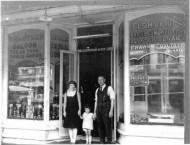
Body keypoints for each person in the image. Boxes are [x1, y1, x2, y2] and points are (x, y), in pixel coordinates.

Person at [93, 75, 115, 144]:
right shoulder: (97, 90)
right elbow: (96, 101)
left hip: (106, 109)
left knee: (107, 125)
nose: (100, 81)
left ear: (104, 80)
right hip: (99, 109)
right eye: (98, 80)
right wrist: (94, 112)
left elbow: (112, 99)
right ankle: (101, 140)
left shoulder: (109, 88)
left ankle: (109, 141)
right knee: (100, 125)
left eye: (101, 79)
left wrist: (111, 110)